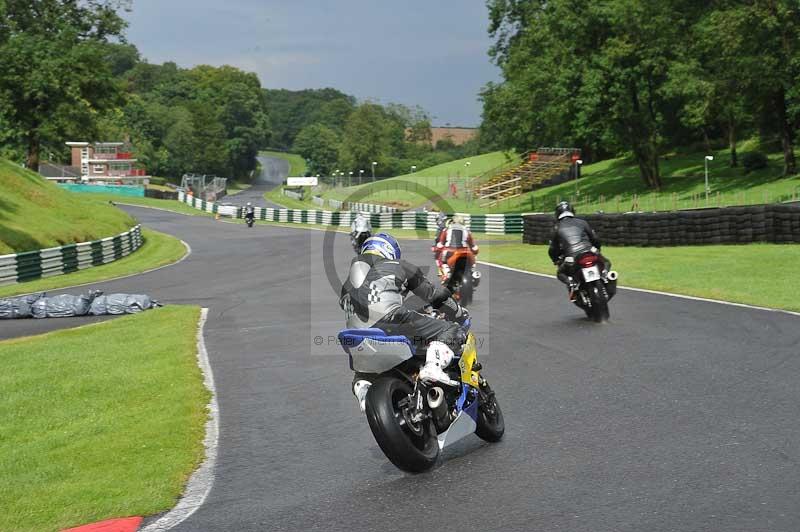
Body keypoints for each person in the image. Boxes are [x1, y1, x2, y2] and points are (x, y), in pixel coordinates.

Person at [341, 232, 470, 411]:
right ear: (389, 251)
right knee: (452, 330)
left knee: (362, 373)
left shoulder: (347, 284)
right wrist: (458, 312)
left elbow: (365, 307)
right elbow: (433, 294)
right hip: (389, 321)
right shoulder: (396, 265)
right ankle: (433, 367)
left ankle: (362, 388)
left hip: (354, 335)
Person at [547, 201, 608, 300]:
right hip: (589, 251)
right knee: (606, 262)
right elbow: (595, 239)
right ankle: (605, 275)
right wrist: (597, 250)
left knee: (560, 273)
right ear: (572, 211)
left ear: (557, 214)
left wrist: (556, 260)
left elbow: (552, 249)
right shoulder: (582, 222)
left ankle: (572, 284)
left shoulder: (556, 228)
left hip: (572, 257)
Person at [435, 214, 479, 280]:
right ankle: (473, 271)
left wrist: (437, 249)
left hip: (450, 251)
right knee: (473, 258)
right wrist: (475, 251)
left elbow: (440, 244)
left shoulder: (446, 230)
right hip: (465, 252)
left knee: (442, 259)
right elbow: (473, 246)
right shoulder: (467, 231)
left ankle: (447, 272)